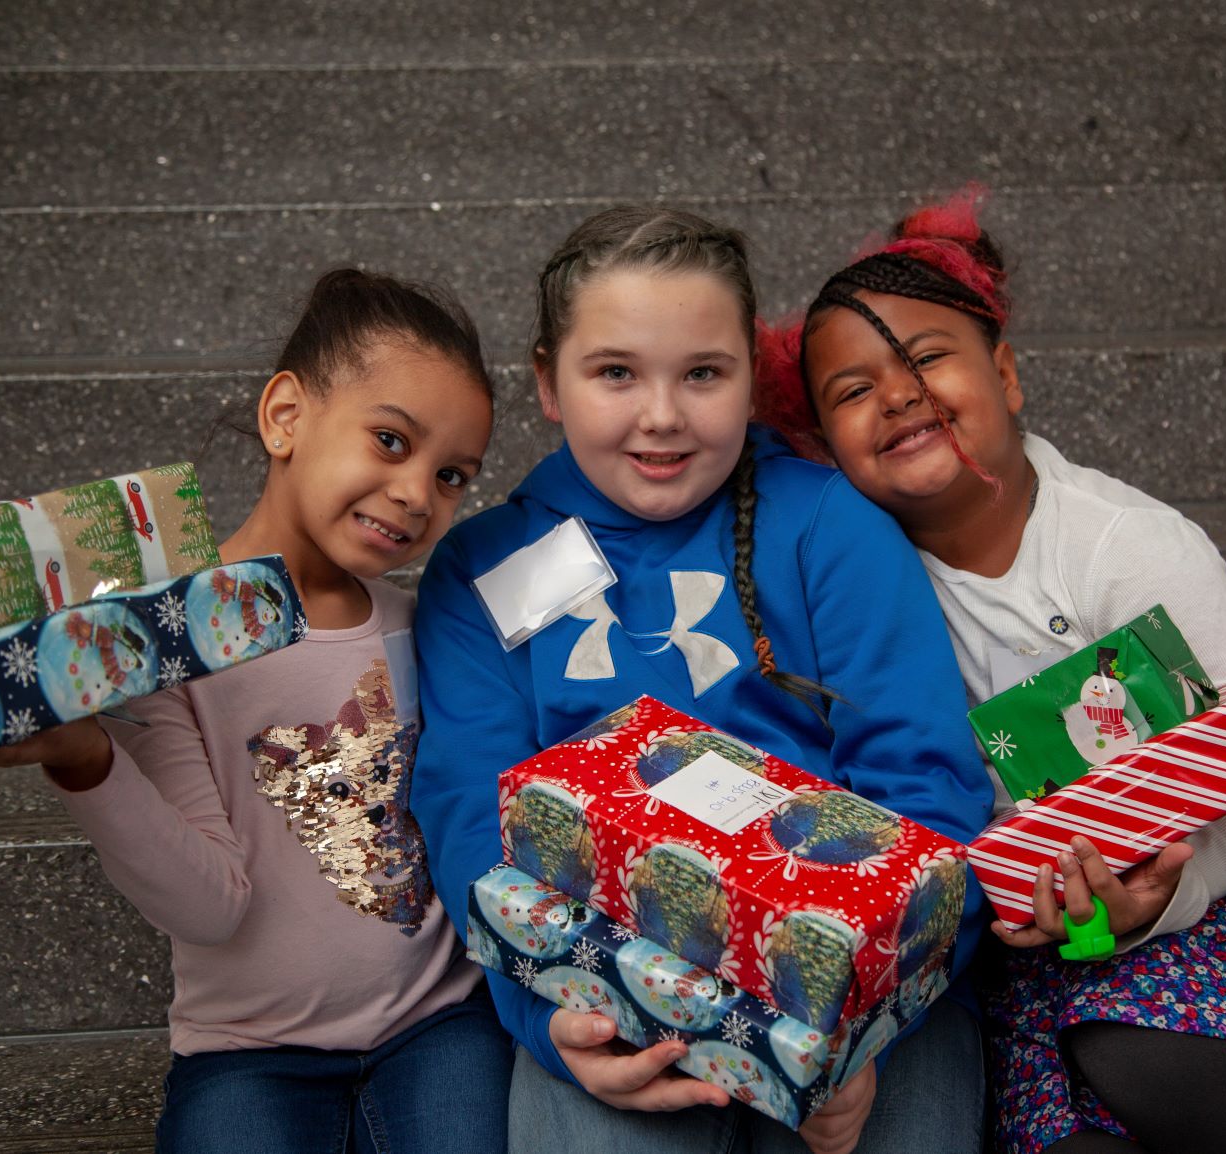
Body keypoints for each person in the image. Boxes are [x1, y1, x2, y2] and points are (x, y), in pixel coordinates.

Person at [753, 187, 1226, 1154]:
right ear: (823, 446)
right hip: (1058, 940)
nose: (896, 394)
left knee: (1140, 1048)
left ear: (1008, 375)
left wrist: (1160, 902)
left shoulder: (1122, 547)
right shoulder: (868, 590)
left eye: (928, 358)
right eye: (852, 392)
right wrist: (1069, 916)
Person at [409, 206, 997, 1154]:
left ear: (749, 382)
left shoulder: (829, 528)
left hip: (865, 980)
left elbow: (930, 790)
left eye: (703, 374)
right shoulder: (484, 568)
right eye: (614, 373)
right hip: (601, 984)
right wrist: (556, 1028)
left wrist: (863, 1026)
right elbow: (473, 815)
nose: (662, 416)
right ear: (546, 384)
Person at [0, 268, 510, 1153]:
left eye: (452, 475)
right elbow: (211, 909)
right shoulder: (158, 646)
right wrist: (83, 758)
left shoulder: (425, 628)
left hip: (438, 1027)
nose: (417, 494)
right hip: (251, 1054)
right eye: (390, 440)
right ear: (286, 415)